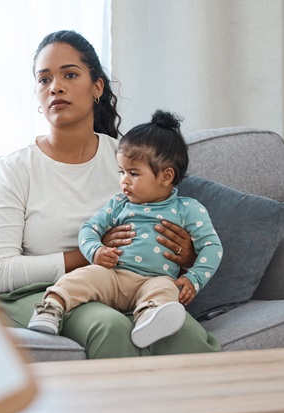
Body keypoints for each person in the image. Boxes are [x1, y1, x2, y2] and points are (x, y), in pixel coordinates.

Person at [0, 29, 221, 358]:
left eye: (69, 74)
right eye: (44, 79)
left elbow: (161, 228)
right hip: (39, 294)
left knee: (185, 333)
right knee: (111, 327)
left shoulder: (127, 160)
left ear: (97, 87)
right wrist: (89, 254)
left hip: (126, 285)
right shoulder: (15, 168)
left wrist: (187, 257)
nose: (56, 87)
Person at [27, 110, 223, 348]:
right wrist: (95, 251)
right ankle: (51, 308)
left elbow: (212, 247)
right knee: (83, 276)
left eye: (133, 173)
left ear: (166, 176)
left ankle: (148, 320)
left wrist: (194, 279)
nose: (124, 181)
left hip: (154, 280)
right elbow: (89, 229)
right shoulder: (118, 204)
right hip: (114, 277)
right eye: (121, 172)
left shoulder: (188, 209)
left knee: (166, 290)